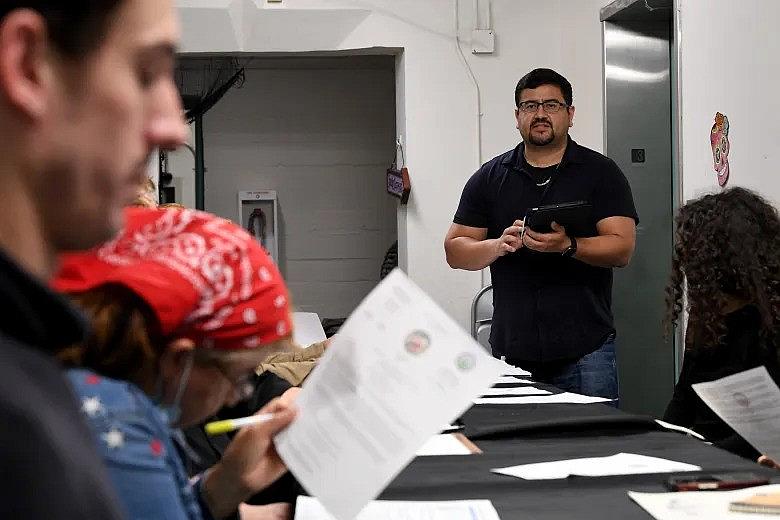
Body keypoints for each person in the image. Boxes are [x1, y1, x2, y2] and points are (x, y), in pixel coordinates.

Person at [0, 1, 187, 517]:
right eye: (146, 72)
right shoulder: (17, 429)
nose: (174, 127)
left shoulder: (32, 358)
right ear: (28, 65)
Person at [53, 207, 299, 520]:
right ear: (179, 360)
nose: (236, 397)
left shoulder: (101, 397)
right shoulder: (118, 431)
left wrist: (220, 489)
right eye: (238, 378)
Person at [444, 68, 637, 400]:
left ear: (570, 114)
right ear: (517, 116)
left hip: (587, 350)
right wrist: (496, 245)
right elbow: (454, 249)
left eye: (552, 105)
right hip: (514, 354)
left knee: (595, 447)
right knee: (520, 449)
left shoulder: (601, 173)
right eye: (530, 106)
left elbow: (622, 248)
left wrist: (569, 245)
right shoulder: (490, 177)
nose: (540, 114)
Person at [664, 187, 780, 461]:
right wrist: (660, 442)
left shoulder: (770, 327)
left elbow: (763, 436)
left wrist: (697, 455)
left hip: (744, 463)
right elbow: (683, 401)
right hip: (702, 455)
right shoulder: (709, 320)